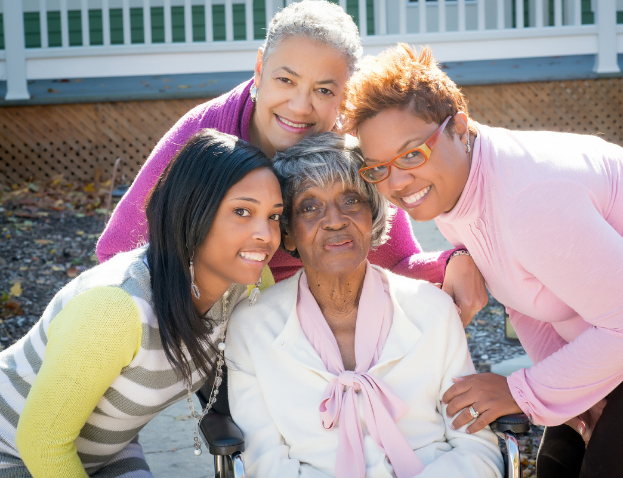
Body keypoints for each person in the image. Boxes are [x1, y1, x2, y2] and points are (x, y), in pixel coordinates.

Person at [96, 0, 488, 325]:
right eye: (286, 80)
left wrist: (454, 261)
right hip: (206, 322)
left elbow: (397, 260)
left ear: (344, 97)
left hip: (303, 328)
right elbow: (117, 251)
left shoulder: (348, 154)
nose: (300, 107)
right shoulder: (203, 137)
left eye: (323, 90)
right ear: (260, 69)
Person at [341, 43, 623, 478]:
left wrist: (522, 391)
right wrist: (571, 396)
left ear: (458, 126)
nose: (397, 182)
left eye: (412, 153)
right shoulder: (459, 190)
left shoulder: (527, 200)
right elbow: (526, 298)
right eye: (378, 168)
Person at [0, 129, 283, 477]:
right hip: (14, 450)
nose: (266, 235)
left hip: (107, 452)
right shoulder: (115, 309)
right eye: (242, 211)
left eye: (274, 215)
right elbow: (41, 441)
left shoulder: (248, 285)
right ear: (190, 212)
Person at [225, 133, 504, 478]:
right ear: (289, 232)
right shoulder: (251, 327)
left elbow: (476, 449)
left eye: (351, 200)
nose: (335, 220)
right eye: (309, 207)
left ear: (373, 218)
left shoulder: (432, 310)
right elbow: (264, 463)